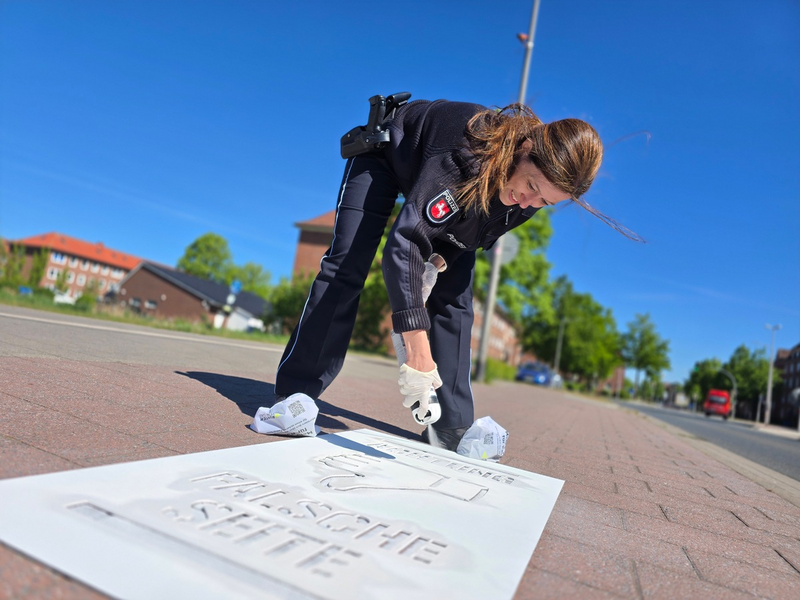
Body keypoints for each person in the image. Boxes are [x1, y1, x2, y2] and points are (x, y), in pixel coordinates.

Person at [274, 96, 638, 451]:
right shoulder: (466, 154)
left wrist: (435, 267)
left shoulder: (526, 198)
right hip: (388, 154)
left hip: (460, 189)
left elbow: (463, 240)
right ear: (525, 147)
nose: (529, 204)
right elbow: (406, 245)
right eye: (531, 187)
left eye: (545, 201)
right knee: (348, 265)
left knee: (457, 298)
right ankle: (295, 395)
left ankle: (449, 428)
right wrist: (416, 351)